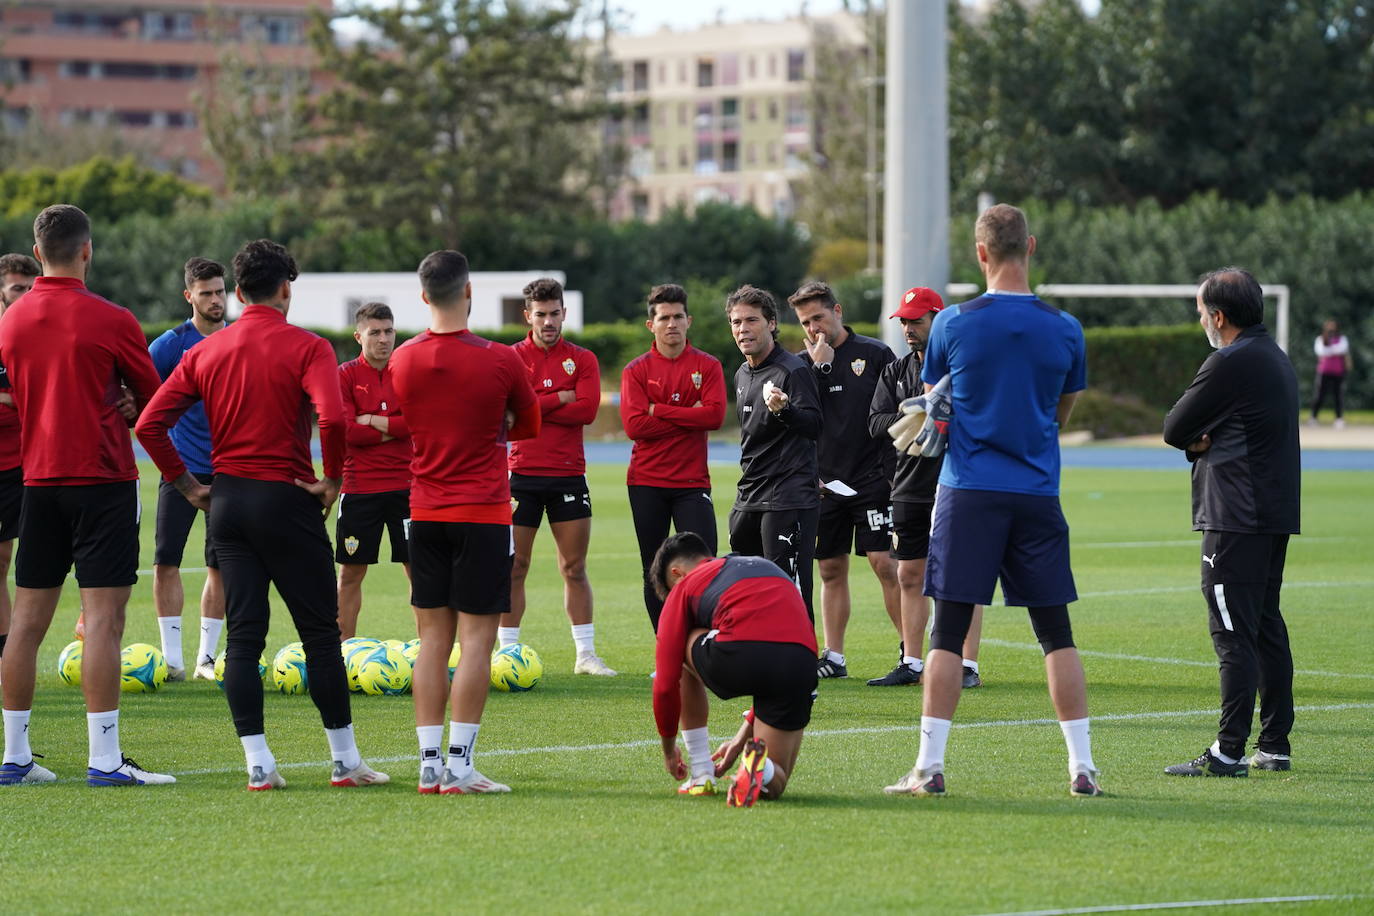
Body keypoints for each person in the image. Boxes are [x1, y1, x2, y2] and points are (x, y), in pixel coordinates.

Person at [136, 238, 388, 791]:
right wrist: (334, 480)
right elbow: (335, 420)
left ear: (239, 290)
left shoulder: (202, 352)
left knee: (244, 641)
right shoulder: (309, 346)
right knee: (321, 635)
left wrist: (188, 486)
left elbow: (148, 425)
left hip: (228, 502)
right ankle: (345, 762)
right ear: (285, 289)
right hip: (287, 499)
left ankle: (259, 765)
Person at [885, 204, 1101, 798]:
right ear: (1029, 247)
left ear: (981, 253)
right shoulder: (1066, 327)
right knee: (1056, 632)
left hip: (969, 491)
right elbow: (1061, 412)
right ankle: (1082, 767)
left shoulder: (951, 323)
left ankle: (929, 768)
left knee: (947, 632)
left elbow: (935, 403)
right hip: (1035, 491)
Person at [0, 205, 173, 787]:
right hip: (101, 481)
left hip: (37, 482)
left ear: (37, 248)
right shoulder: (113, 318)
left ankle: (16, 757)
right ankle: (104, 760)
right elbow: (156, 401)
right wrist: (126, 402)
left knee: (25, 624)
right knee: (103, 621)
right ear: (88, 250)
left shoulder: (12, 321)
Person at [390, 249, 540, 794]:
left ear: (424, 296)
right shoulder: (502, 360)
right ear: (469, 292)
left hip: (424, 511)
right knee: (477, 643)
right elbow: (529, 425)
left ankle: (429, 764)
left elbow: (403, 421)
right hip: (482, 513)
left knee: (432, 641)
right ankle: (460, 765)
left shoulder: (401, 359)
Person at [1162, 267, 1300, 778]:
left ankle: (1228, 751)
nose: (1201, 320)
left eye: (1201, 312)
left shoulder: (1229, 361)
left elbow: (1175, 428)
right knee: (1264, 623)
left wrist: (1198, 441)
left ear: (1218, 316)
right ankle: (1275, 744)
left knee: (1231, 631)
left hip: (1236, 513)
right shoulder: (1274, 356)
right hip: (1271, 511)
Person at [867, 287, 986, 688]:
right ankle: (912, 661)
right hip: (906, 486)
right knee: (909, 575)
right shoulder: (895, 371)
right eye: (904, 321)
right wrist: (913, 412)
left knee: (960, 575)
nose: (908, 328)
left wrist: (940, 411)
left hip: (955, 485)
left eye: (916, 320)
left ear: (939, 319)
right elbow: (875, 421)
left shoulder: (962, 368)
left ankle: (967, 665)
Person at [650, 532, 817, 806]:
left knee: (678, 641)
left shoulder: (684, 586)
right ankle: (759, 768)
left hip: (740, 653)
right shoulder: (765, 567)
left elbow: (666, 683)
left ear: (677, 574)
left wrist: (669, 751)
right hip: (800, 662)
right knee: (775, 782)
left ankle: (701, 772)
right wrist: (741, 741)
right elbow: (776, 648)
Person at [788, 281, 899, 679]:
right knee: (829, 569)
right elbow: (803, 418)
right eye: (805, 321)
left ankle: (911, 653)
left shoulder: (874, 354)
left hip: (873, 479)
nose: (814, 327)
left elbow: (894, 415)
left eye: (818, 316)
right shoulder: (801, 365)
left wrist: (890, 473)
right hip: (825, 484)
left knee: (885, 563)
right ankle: (833, 657)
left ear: (838, 311)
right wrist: (818, 366)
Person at [503, 278, 614, 675]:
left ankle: (585, 654)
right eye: (541, 314)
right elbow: (509, 414)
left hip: (568, 475)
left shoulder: (582, 359)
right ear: (527, 315)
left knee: (574, 567)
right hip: (521, 475)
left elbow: (586, 411)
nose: (548, 321)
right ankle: (507, 653)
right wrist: (558, 397)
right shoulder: (511, 357)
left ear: (564, 313)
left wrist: (536, 404)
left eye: (554, 313)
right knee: (515, 566)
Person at [619, 284, 726, 630]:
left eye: (678, 316)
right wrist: (686, 414)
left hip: (692, 483)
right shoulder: (635, 370)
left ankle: (702, 645)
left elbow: (713, 417)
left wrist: (659, 410)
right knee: (654, 568)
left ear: (688, 320)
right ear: (651, 324)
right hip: (646, 482)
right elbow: (635, 425)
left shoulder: (707, 366)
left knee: (705, 565)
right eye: (664, 317)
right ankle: (667, 649)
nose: (672, 324)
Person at [147, 257, 229, 681]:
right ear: (189, 296)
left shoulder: (238, 341)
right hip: (179, 472)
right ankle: (173, 660)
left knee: (219, 565)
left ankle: (206, 660)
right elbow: (143, 397)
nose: (216, 300)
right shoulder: (168, 345)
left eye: (220, 291)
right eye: (207, 293)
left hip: (230, 472)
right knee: (166, 562)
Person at [726, 285, 822, 619]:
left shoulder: (793, 370)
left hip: (787, 497)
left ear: (771, 324)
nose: (743, 329)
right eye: (736, 322)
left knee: (788, 590)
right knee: (746, 589)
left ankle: (799, 664)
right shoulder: (741, 373)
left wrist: (785, 411)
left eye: (751, 320)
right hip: (748, 495)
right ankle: (757, 661)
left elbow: (814, 426)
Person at [336, 301, 412, 639]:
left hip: (408, 488)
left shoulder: (408, 371)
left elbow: (418, 423)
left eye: (389, 331)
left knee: (420, 573)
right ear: (358, 336)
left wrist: (371, 421)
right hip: (359, 489)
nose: (383, 339)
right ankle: (342, 651)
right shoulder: (344, 375)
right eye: (375, 332)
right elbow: (347, 432)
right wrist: (393, 427)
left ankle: (430, 653)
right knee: (351, 575)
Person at [0, 253, 40, 675]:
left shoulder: (39, 336)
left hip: (33, 467)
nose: (26, 297)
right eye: (17, 289)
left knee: (30, 568)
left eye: (31, 288)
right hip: (6, 468)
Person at [1310, 319, 1351, 428]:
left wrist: (1330, 350)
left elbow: (1342, 349)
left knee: (1338, 395)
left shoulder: (1342, 339)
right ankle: (1313, 417)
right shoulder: (1320, 339)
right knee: (1319, 395)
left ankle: (1339, 419)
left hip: (1338, 371)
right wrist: (1333, 350)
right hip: (1324, 371)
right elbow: (1320, 351)